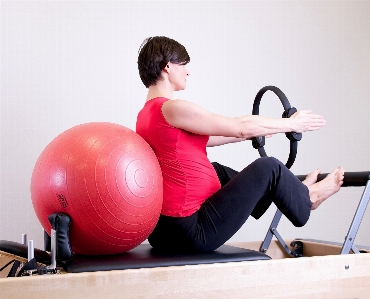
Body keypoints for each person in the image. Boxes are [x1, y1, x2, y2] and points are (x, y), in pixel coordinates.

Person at [136, 36, 344, 253]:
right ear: (167, 66)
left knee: (216, 170)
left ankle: (296, 192)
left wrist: (251, 135)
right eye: (183, 64)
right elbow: (240, 126)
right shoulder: (172, 108)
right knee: (269, 167)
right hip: (191, 232)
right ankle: (308, 199)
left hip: (164, 232)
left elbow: (211, 136)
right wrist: (291, 124)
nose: (188, 71)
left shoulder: (147, 114)